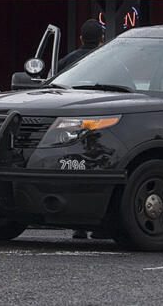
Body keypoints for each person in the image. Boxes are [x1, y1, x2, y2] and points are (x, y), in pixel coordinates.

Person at [59, 17, 104, 240]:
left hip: (70, 123)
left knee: (73, 168)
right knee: (99, 169)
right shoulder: (109, 59)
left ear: (80, 38)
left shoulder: (67, 61)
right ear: (102, 40)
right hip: (99, 122)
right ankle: (100, 224)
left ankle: (78, 225)